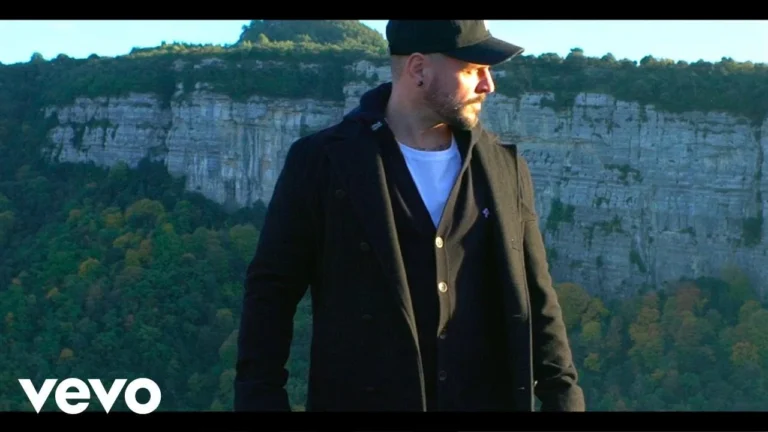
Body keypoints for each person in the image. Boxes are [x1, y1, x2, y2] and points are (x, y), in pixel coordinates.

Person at [234, 19, 585, 412]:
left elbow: (538, 298)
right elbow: (271, 293)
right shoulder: (322, 161)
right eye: (472, 70)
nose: (488, 85)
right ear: (419, 69)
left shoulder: (504, 167)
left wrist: (565, 400)